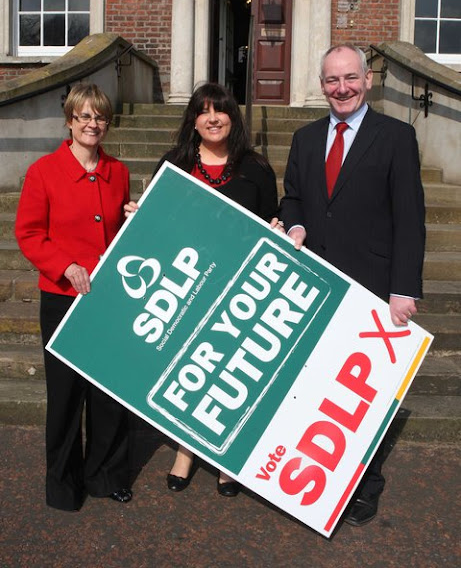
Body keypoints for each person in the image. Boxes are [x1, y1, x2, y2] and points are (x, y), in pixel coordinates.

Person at [274, 44, 425, 526]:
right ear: (321, 85)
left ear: (367, 79)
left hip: (374, 285)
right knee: (317, 385)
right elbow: (293, 197)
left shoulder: (397, 136)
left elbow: (411, 217)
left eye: (350, 79)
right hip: (315, 284)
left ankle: (365, 483)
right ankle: (320, 476)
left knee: (367, 394)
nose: (341, 89)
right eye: (332, 81)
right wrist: (294, 226)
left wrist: (403, 286)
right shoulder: (305, 136)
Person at [126, 82, 278, 497]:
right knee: (185, 372)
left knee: (228, 376)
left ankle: (226, 459)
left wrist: (278, 229)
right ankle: (185, 452)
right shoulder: (174, 163)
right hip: (187, 286)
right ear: (193, 119)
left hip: (241, 289)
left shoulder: (256, 167)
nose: (213, 118)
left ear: (233, 117)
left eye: (221, 110)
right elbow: (156, 219)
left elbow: (273, 218)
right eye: (203, 111)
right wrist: (138, 217)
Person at [15, 84, 133, 511]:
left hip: (109, 298)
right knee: (65, 395)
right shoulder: (43, 171)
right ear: (69, 120)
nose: (92, 124)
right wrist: (64, 265)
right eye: (84, 116)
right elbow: (28, 234)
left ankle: (105, 475)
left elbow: (121, 234)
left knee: (107, 393)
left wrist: (132, 219)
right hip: (63, 296)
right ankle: (64, 484)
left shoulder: (118, 171)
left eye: (99, 116)